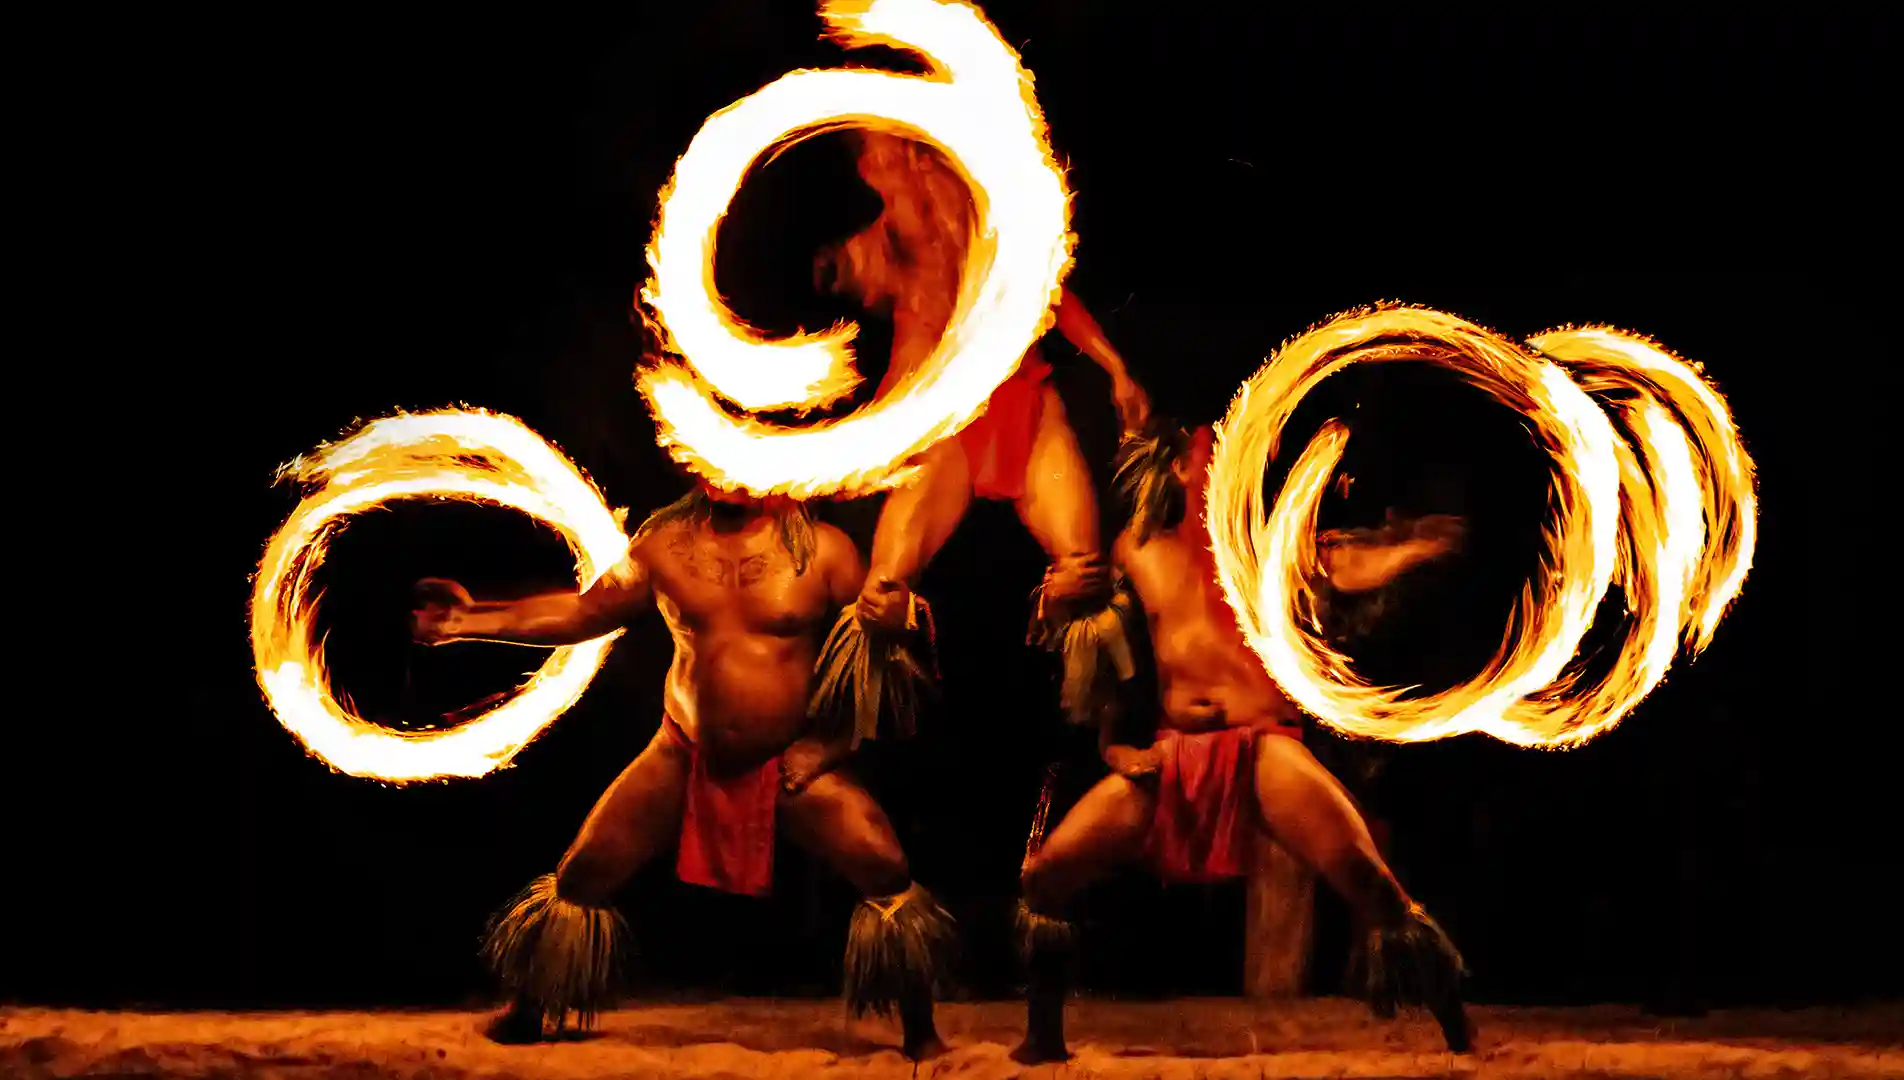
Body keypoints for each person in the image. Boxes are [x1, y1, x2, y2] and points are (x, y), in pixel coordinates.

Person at [411, 480, 954, 1059]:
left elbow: (888, 663)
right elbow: (582, 612)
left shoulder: (824, 551)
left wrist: (840, 728)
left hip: (791, 759)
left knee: (886, 871)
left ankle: (922, 1032)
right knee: (583, 874)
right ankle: (527, 1012)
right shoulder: (663, 545)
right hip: (681, 751)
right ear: (698, 463)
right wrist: (469, 620)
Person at [1008, 419, 1475, 1064]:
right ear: (1180, 467)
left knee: (1373, 886)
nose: (1233, 453)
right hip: (1172, 756)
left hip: (1263, 751)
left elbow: (1349, 563)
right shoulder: (1136, 552)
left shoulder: (1269, 550)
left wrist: (1414, 548)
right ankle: (1043, 1039)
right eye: (1214, 445)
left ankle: (1459, 1032)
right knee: (1046, 879)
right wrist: (1110, 741)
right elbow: (1101, 657)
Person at [813, 130, 1150, 733]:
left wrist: (1116, 366)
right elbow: (855, 288)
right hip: (946, 434)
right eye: (877, 153)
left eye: (900, 148)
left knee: (1085, 575)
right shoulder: (879, 245)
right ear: (867, 169)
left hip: (1025, 408)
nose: (892, 161)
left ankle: (1102, 739)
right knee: (882, 596)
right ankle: (847, 741)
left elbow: (1053, 295)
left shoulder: (991, 215)